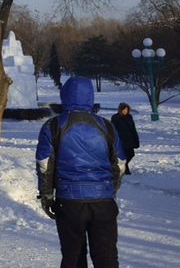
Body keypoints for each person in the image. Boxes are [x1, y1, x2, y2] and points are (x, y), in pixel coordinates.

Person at [36, 76, 126, 268]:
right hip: (102, 201)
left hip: (69, 202)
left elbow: (45, 165)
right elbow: (120, 163)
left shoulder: (53, 126)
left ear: (64, 95)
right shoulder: (106, 126)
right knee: (106, 257)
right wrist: (110, 189)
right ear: (90, 97)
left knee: (73, 257)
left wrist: (46, 196)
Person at [111, 103, 140, 175]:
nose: (125, 111)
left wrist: (136, 140)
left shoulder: (129, 117)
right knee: (123, 154)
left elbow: (133, 129)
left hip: (129, 139)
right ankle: (124, 168)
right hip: (121, 140)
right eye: (123, 110)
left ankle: (124, 165)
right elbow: (113, 129)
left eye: (126, 110)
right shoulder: (115, 118)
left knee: (131, 154)